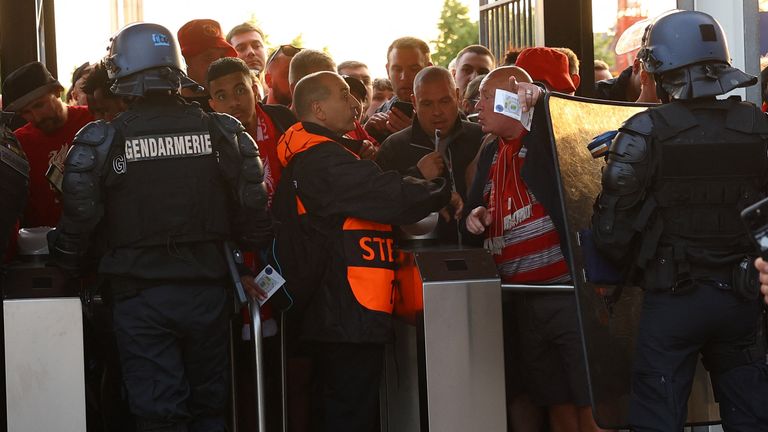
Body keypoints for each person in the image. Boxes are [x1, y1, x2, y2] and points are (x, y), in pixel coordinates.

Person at [50, 22, 271, 432]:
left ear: (122, 72)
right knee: (210, 410)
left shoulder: (101, 140)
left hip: (139, 299)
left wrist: (63, 266)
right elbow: (255, 217)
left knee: (158, 414)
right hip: (208, 292)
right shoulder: (221, 130)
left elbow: (78, 223)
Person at [591, 10, 768, 430]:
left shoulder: (643, 132)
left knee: (657, 417)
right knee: (753, 416)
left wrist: (640, 266)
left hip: (674, 298)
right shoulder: (758, 126)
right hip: (742, 297)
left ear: (659, 68)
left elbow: (611, 232)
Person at [273, 70, 456, 431]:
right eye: (343, 94)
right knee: (349, 413)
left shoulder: (322, 154)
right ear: (318, 109)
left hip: (340, 309)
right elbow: (386, 195)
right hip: (342, 310)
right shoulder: (322, 159)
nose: (354, 102)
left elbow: (370, 188)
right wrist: (439, 188)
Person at [464, 65, 604, 432]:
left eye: (485, 97)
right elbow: (473, 206)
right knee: (554, 400)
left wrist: (538, 96)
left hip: (567, 295)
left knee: (591, 403)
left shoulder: (547, 139)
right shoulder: (491, 153)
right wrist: (473, 215)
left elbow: (554, 111)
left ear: (513, 97)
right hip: (522, 298)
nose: (475, 106)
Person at [376, 66, 480, 241]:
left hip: (483, 253)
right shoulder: (394, 147)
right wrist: (417, 177)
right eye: (427, 103)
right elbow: (379, 204)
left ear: (457, 95)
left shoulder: (481, 138)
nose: (437, 111)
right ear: (414, 102)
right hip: (415, 256)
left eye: (445, 101)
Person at [2, 61, 94, 227]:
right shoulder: (18, 144)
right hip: (41, 246)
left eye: (39, 105)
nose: (36, 117)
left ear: (58, 92)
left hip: (98, 241)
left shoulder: (92, 121)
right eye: (26, 112)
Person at [207, 56, 297, 202]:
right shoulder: (211, 142)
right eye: (222, 96)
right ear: (213, 105)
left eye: (240, 90)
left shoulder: (282, 119)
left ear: (254, 91)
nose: (234, 102)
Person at [365, 37, 432, 143]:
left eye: (414, 69)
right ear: (388, 71)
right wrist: (366, 134)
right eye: (397, 69)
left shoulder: (446, 111)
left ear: (428, 69)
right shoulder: (383, 111)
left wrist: (415, 135)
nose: (404, 77)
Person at [178, 19, 237, 108]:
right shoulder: (168, 109)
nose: (219, 65)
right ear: (185, 63)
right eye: (208, 58)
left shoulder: (235, 104)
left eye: (222, 57)